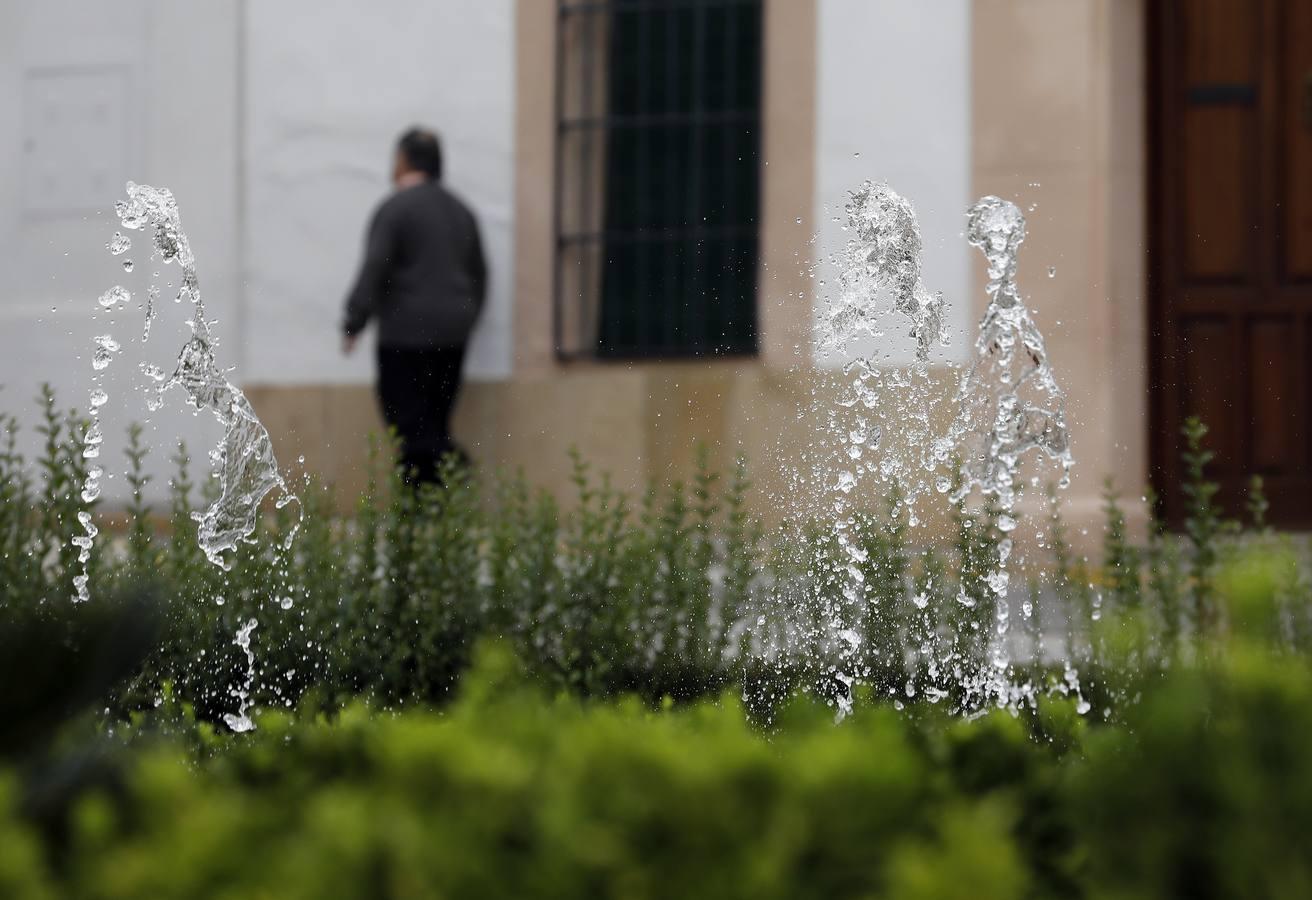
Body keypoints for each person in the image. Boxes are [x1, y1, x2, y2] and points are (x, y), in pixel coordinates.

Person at [342, 127, 487, 484]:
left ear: (402, 161)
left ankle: (448, 476)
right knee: (435, 418)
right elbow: (480, 274)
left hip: (404, 337)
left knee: (406, 425)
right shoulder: (461, 212)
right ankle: (433, 506)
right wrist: (467, 318)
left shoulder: (395, 209)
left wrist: (354, 320)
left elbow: (376, 266)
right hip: (453, 335)